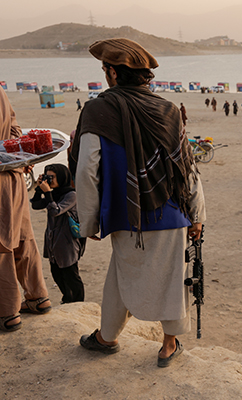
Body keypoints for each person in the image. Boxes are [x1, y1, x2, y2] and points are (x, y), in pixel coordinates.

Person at [70, 38, 206, 367]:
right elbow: (187, 167)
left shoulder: (98, 109)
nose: (104, 75)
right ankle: (167, 345)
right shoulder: (169, 111)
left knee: (121, 272)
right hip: (172, 213)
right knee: (172, 277)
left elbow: (87, 169)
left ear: (114, 73)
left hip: (126, 213)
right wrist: (197, 213)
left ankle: (107, 337)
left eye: (105, 69)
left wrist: (89, 221)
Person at [0, 87, 52, 333]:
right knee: (23, 237)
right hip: (15, 174)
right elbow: (14, 130)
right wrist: (18, 160)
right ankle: (38, 297)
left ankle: (7, 312)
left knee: (1, 245)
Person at [30, 164, 85, 304]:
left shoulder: (72, 195)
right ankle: (67, 300)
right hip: (53, 242)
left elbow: (55, 211)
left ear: (62, 177)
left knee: (71, 276)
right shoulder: (54, 194)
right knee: (57, 275)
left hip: (67, 244)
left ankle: (78, 304)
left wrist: (48, 193)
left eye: (52, 177)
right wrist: (39, 188)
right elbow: (36, 205)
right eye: (47, 176)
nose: (50, 180)